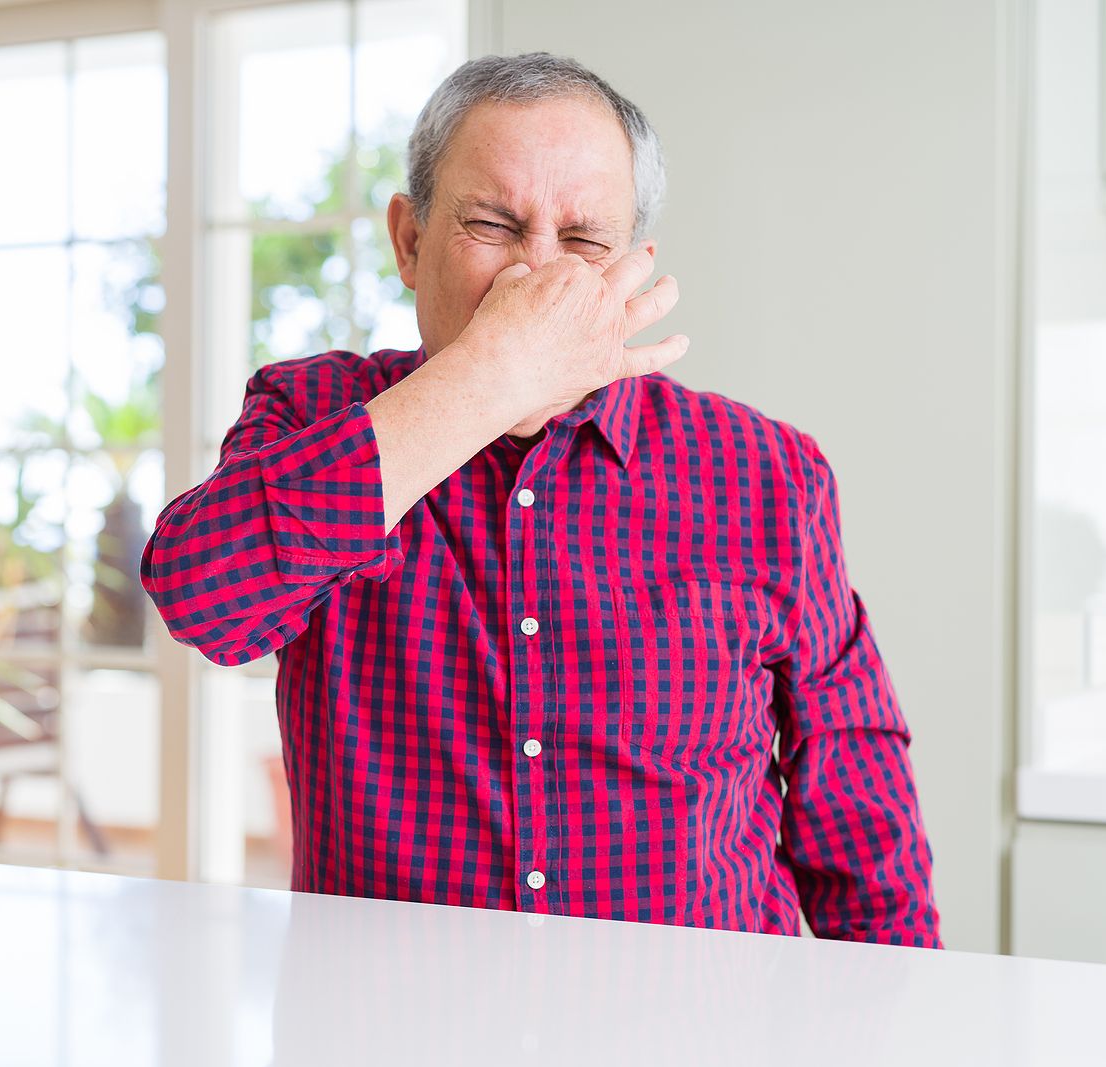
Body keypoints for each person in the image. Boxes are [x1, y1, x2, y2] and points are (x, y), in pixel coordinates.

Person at [141, 51, 941, 946]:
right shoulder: (310, 414)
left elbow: (862, 813)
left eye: (584, 242)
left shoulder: (768, 472)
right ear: (409, 240)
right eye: (492, 224)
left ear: (633, 267)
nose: (537, 279)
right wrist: (487, 380)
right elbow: (201, 597)